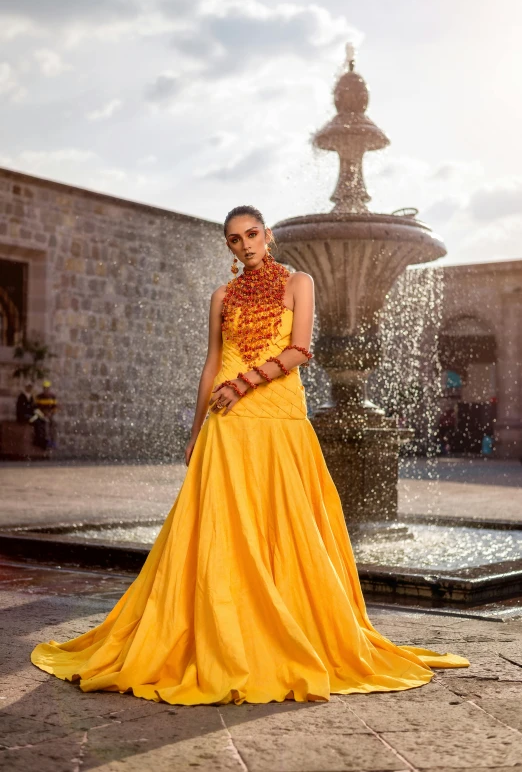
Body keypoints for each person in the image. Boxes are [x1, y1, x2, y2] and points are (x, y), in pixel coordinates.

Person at [31, 205, 469, 705]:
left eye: (252, 234)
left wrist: (244, 383)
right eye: (235, 239)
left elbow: (301, 350)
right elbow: (211, 362)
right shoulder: (221, 296)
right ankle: (222, 630)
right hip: (227, 419)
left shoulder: (299, 281)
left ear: (269, 235)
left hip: (278, 413)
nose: (245, 244)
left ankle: (284, 625)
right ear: (229, 247)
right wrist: (196, 430)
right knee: (223, 522)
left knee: (284, 519)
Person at [33, 379, 58, 449]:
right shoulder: (39, 397)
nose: (46, 390)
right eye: (45, 388)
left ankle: (53, 441)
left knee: (54, 424)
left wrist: (50, 413)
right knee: (44, 424)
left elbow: (55, 407)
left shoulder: (53, 397)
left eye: (47, 388)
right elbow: (36, 407)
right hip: (41, 415)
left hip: (50, 414)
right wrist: (42, 414)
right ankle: (46, 441)